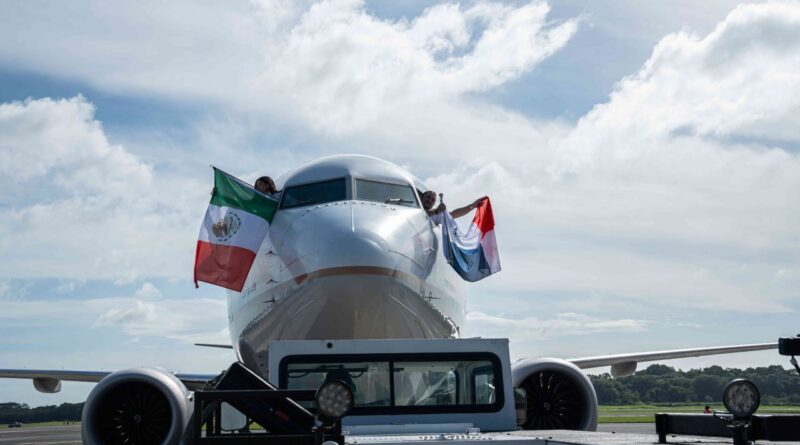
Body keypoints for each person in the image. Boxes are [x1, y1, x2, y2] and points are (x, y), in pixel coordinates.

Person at [419, 190, 487, 224]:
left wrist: (473, 205)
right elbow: (421, 214)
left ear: (434, 203)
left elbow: (454, 214)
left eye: (432, 200)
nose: (429, 201)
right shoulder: (413, 207)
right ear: (421, 197)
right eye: (428, 197)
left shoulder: (435, 216)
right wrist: (437, 211)